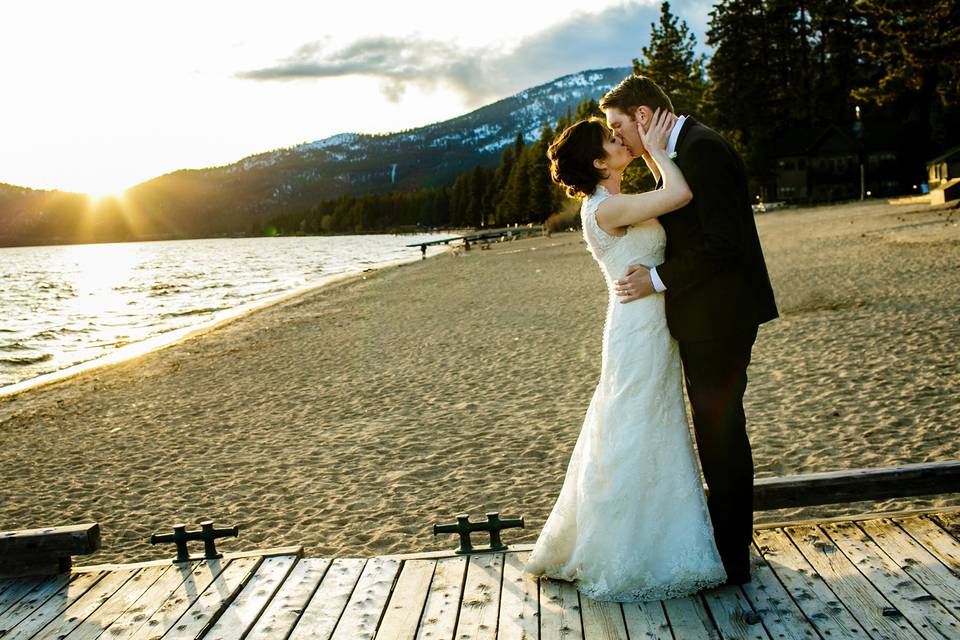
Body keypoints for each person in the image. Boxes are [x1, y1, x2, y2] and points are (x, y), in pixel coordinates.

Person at [523, 109, 727, 601]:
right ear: (598, 163)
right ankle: (629, 545)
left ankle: (655, 532)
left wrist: (653, 156)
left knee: (647, 420)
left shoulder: (614, 200)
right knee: (636, 422)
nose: (620, 140)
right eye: (611, 140)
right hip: (639, 327)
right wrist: (657, 150)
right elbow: (678, 195)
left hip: (648, 320)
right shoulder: (607, 209)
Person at [601, 75, 778, 584]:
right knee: (714, 431)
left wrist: (656, 279)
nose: (617, 139)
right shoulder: (679, 150)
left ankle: (733, 560)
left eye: (618, 126)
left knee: (720, 433)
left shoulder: (703, 149)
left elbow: (724, 242)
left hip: (720, 318)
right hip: (705, 316)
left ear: (642, 115)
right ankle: (729, 548)